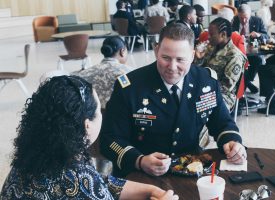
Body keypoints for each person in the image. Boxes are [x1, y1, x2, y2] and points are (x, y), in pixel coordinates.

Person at [99, 23, 247, 177]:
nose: (172, 67)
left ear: (192, 55)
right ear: (156, 51)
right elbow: (110, 139)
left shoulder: (205, 81)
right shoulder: (130, 86)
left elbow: (222, 123)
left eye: (180, 59)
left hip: (190, 169)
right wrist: (139, 160)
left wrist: (232, 141)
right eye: (165, 58)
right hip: (141, 174)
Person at [0, 75, 178, 200]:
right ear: (87, 125)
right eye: (98, 110)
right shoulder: (76, 178)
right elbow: (90, 186)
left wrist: (151, 190)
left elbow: (100, 182)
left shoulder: (33, 158)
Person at [195, 17, 247, 111]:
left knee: (193, 107)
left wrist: (202, 89)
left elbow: (226, 87)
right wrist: (199, 59)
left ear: (223, 34)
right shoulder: (210, 48)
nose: (208, 37)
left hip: (222, 97)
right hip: (204, 89)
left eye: (211, 34)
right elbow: (197, 71)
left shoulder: (235, 56)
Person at [72, 36, 133, 109]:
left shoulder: (83, 74)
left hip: (91, 117)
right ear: (122, 51)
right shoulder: (130, 73)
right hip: (119, 116)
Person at [232, 4, 269, 94]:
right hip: (238, 51)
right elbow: (230, 35)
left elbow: (267, 36)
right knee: (236, 64)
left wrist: (258, 35)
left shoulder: (258, 20)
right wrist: (234, 34)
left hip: (253, 51)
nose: (244, 21)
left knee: (258, 61)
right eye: (241, 18)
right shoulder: (235, 20)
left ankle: (246, 83)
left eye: (246, 18)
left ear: (250, 14)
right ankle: (245, 85)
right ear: (238, 15)